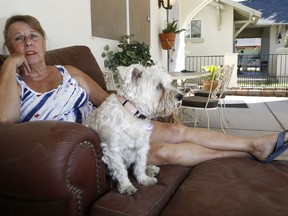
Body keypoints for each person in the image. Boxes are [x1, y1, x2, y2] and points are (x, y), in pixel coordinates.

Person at [0, 15, 287, 167]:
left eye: (33, 35)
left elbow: (106, 99)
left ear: (43, 41)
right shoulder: (12, 85)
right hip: (90, 144)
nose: (28, 42)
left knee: (175, 132)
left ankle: (254, 144)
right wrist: (9, 66)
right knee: (163, 152)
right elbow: (6, 125)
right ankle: (249, 152)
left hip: (112, 124)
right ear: (9, 47)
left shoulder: (68, 71)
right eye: (19, 38)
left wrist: (139, 112)